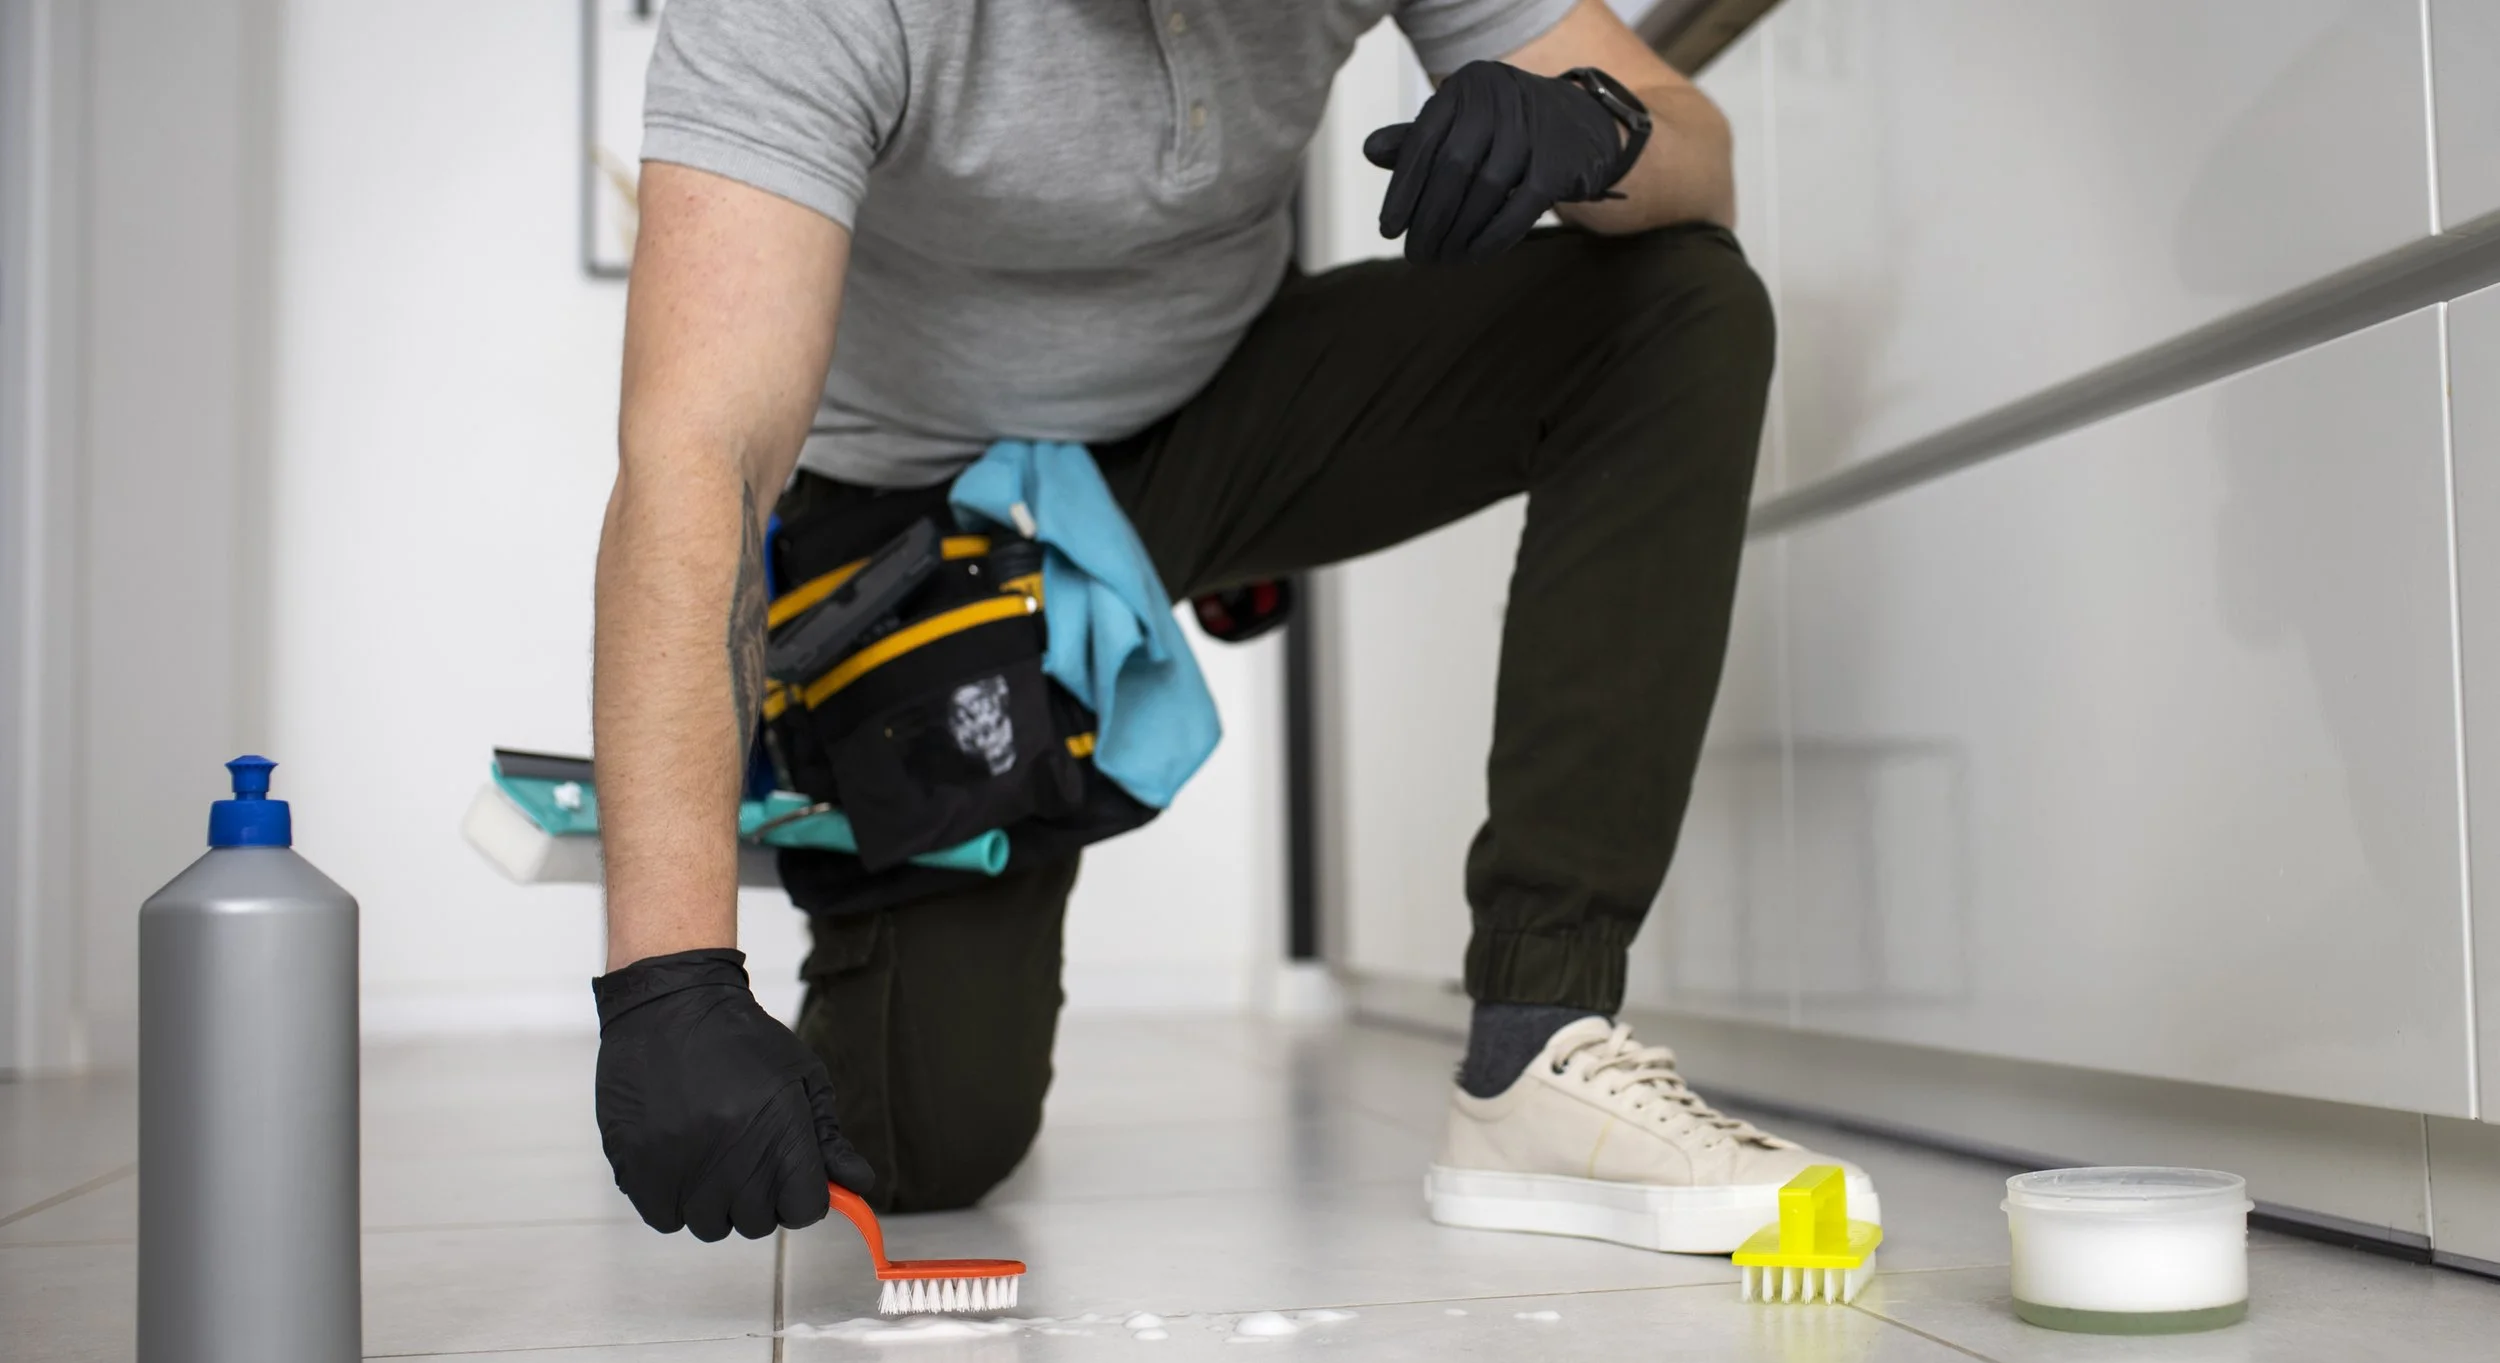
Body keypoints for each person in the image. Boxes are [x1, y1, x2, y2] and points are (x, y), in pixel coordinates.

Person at [586, 0, 1878, 1249]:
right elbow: (700, 450)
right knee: (926, 1149)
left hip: (1217, 402)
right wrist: (673, 979)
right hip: (921, 501)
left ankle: (1538, 1040)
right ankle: (832, 804)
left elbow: (1692, 147)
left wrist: (1601, 129)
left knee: (1675, 304)